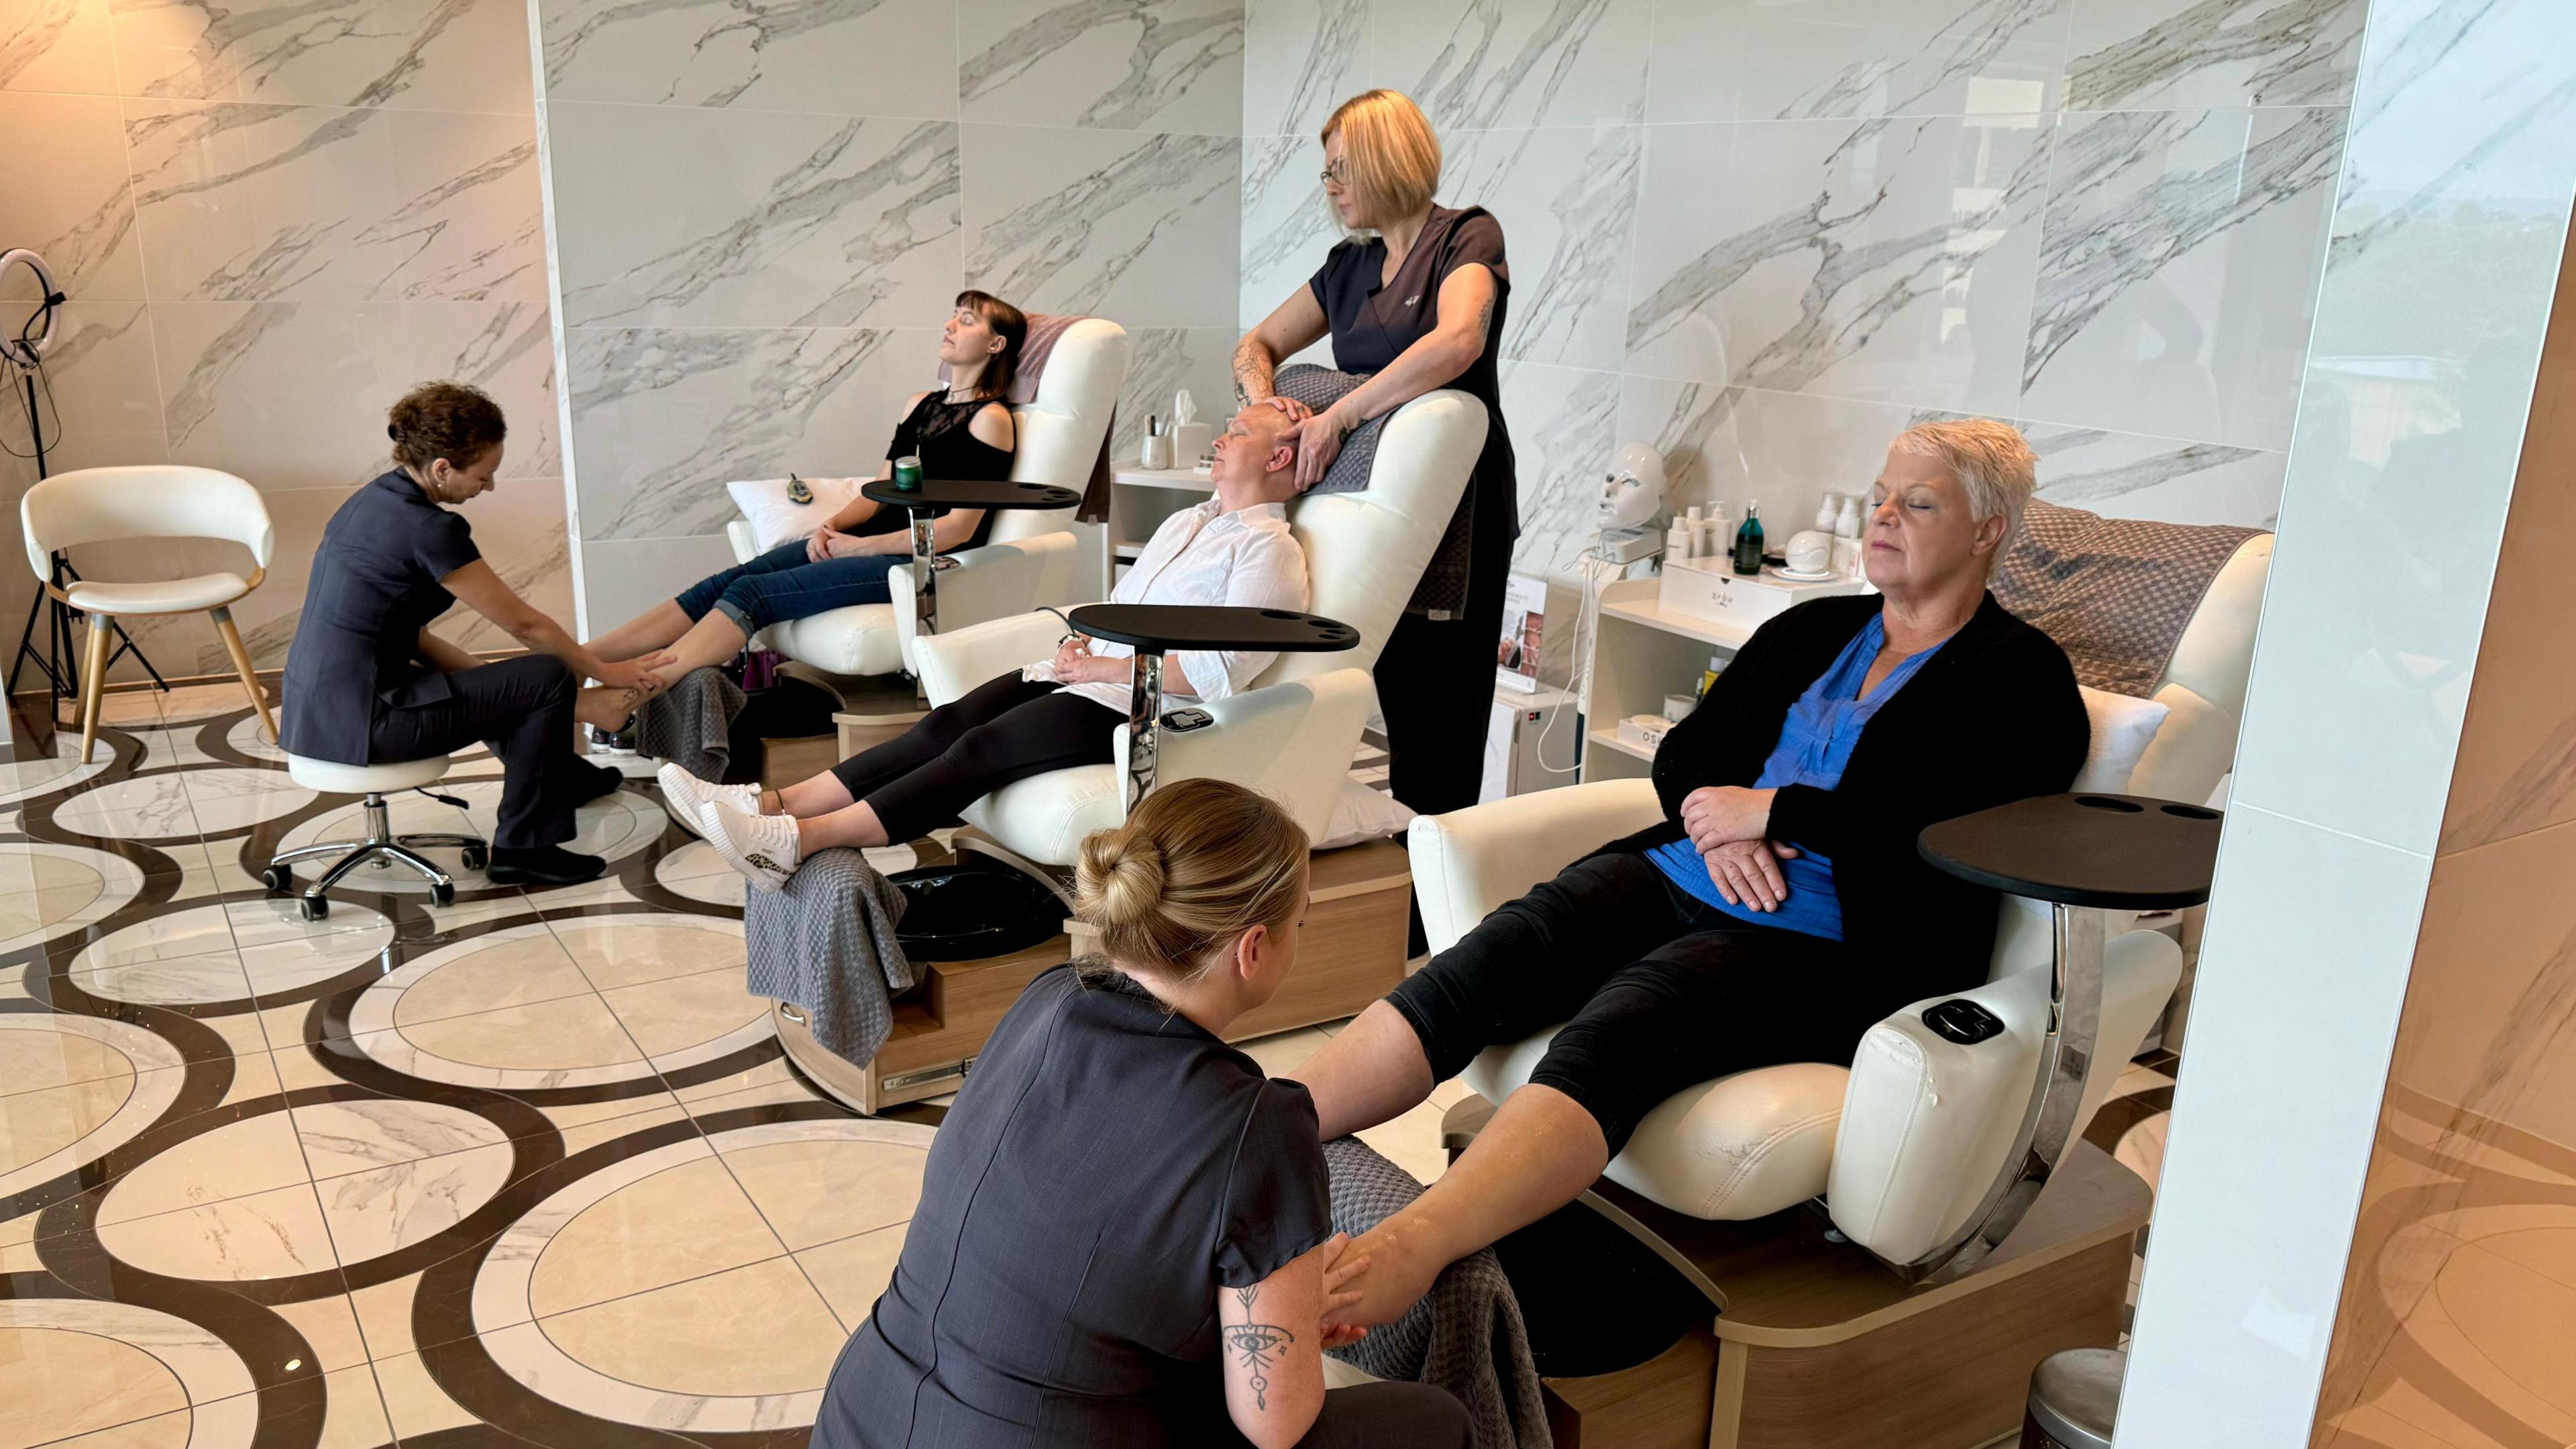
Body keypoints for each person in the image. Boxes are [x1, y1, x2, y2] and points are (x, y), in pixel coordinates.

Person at [1290, 420, 2092, 1328]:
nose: (1883, 519)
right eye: (1879, 497)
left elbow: (1964, 832)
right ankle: (1266, 1132)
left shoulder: (2023, 678)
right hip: (1686, 869)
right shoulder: (1812, 628)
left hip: (1827, 941)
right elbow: (1687, 753)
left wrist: (1778, 814)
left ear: (1987, 530)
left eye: (1917, 504)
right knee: (1500, 953)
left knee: (1637, 1014)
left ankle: (1411, 1245)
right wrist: (1725, 825)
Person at [809, 777, 1472, 1449]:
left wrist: (1275, 1315)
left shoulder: (1048, 1000)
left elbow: (1087, 1254)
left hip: (860, 1415)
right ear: (1253, 949)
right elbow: (1276, 1427)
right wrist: (1286, 1322)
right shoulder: (1259, 1127)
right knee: (1440, 1424)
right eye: (1298, 921)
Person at [668, 403, 1311, 888]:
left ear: (1279, 459)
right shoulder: (1186, 521)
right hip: (1087, 674)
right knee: (941, 725)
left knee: (980, 747)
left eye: (1241, 432)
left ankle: (796, 841)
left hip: (1142, 708)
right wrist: (1078, 645)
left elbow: (1215, 671)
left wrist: (1098, 665)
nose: (1222, 438)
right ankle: (768, 804)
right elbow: (1125, 602)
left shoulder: (1269, 550)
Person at [1234, 88, 1514, 830]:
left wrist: (1341, 414)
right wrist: (1267, 404)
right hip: (1367, 508)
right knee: (1372, 696)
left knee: (1439, 717)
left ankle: (1436, 899)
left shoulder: (1466, 240)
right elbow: (1253, 347)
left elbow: (1459, 343)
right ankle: (1390, 877)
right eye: (1325, 173)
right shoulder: (1347, 266)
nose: (1329, 188)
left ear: (1386, 160)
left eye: (1339, 170)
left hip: (1460, 506)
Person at [277, 382, 672, 886]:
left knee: (515, 684)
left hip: (317, 711)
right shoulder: (430, 530)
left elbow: (410, 636)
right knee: (547, 676)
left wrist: (499, 683)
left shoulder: (371, 502)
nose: (489, 488)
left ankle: (565, 780)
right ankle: (524, 849)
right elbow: (523, 624)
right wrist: (604, 674)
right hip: (366, 725)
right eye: (484, 475)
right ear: (442, 468)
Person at [581, 291, 1027, 696]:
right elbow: (879, 492)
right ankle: (579, 659)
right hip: (865, 544)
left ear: (996, 345)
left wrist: (859, 548)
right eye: (953, 317)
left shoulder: (990, 421)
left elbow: (957, 528)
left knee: (752, 594)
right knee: (726, 583)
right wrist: (831, 527)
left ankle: (633, 693)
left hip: (915, 563)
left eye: (967, 321)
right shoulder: (921, 404)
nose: (950, 326)